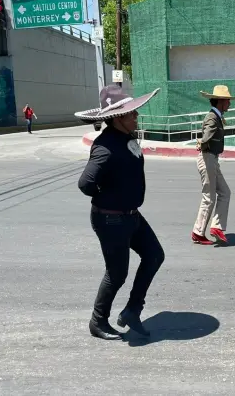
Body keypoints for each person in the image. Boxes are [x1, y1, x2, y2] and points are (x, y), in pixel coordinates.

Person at [76, 85, 164, 340]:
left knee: (154, 255)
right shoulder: (105, 147)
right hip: (110, 219)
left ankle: (132, 310)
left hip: (130, 215)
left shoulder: (126, 138)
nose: (136, 117)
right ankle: (98, 321)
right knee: (117, 273)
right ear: (116, 118)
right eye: (131, 114)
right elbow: (85, 184)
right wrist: (110, 195)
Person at [192, 85, 235, 245]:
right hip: (207, 158)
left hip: (212, 159)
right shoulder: (212, 117)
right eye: (228, 101)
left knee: (225, 192)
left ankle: (215, 227)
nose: (229, 104)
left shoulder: (216, 116)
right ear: (220, 102)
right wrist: (202, 142)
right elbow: (207, 133)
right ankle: (198, 232)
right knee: (209, 197)